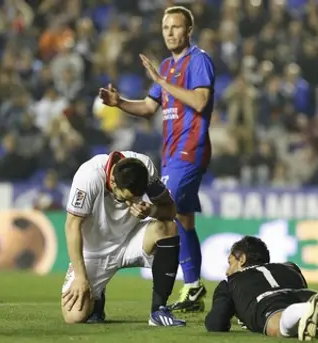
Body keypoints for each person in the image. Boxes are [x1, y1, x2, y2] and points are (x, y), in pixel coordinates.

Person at [98, 5, 215, 313]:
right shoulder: (165, 66)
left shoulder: (198, 60)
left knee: (169, 211)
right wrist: (119, 102)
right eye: (166, 28)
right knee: (184, 218)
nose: (170, 33)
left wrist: (162, 83)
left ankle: (187, 286)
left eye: (176, 27)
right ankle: (192, 288)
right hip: (171, 152)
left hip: (190, 148)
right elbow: (150, 108)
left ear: (188, 31)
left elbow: (201, 102)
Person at [61, 151, 185, 326]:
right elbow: (72, 226)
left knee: (168, 227)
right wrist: (81, 277)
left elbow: (171, 211)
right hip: (95, 252)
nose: (130, 202)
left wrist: (151, 211)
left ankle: (159, 311)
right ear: (112, 182)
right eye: (125, 197)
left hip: (131, 239)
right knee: (74, 317)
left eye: (136, 197)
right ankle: (97, 298)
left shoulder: (145, 168)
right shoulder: (88, 176)